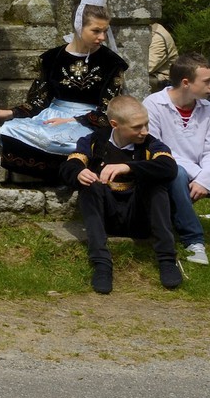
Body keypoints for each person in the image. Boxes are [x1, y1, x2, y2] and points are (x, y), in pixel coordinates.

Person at [0, 0, 126, 182]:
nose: (102, 37)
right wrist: (9, 113)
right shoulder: (52, 58)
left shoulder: (112, 63)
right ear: (79, 26)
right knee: (10, 129)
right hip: (51, 115)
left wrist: (73, 120)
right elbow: (39, 99)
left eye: (105, 31)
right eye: (96, 31)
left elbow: (109, 109)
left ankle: (75, 174)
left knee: (78, 141)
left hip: (88, 120)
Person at [61, 95, 182, 293]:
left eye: (146, 124)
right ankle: (101, 263)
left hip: (139, 217)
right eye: (137, 127)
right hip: (107, 215)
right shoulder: (93, 141)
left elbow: (169, 168)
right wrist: (79, 172)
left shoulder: (151, 144)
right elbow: (69, 166)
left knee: (155, 185)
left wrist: (128, 167)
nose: (145, 131)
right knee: (89, 185)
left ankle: (167, 259)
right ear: (115, 124)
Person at [145, 54, 210, 267]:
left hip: (203, 172)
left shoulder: (208, 108)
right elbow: (159, 149)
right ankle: (194, 240)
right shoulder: (154, 105)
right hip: (169, 171)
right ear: (186, 83)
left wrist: (205, 179)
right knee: (178, 172)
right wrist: (199, 176)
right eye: (207, 81)